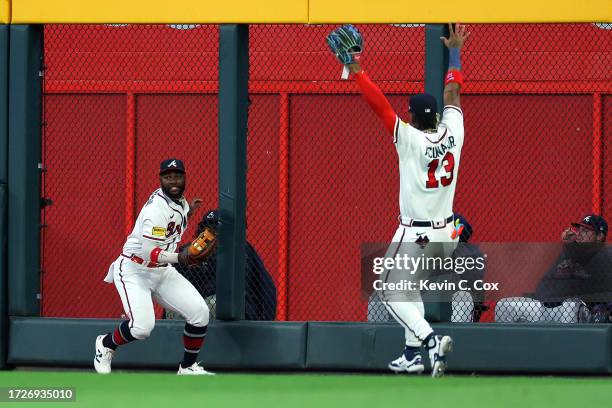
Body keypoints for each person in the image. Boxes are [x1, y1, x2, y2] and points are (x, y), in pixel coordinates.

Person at [343, 24, 469, 377]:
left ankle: (429, 340)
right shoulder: (453, 133)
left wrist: (357, 70)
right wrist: (455, 52)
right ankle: (413, 355)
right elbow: (454, 93)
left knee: (387, 290)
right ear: (436, 117)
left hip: (417, 234)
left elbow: (380, 107)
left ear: (412, 116)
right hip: (448, 235)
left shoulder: (410, 139)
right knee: (408, 287)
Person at [94, 158, 215, 375]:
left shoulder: (180, 201)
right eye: (168, 178)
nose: (173, 181)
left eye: (177, 176)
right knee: (142, 328)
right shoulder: (154, 211)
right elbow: (150, 252)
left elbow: (170, 229)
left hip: (161, 271)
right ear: (160, 180)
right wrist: (183, 258)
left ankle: (187, 367)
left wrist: (188, 214)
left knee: (200, 313)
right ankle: (106, 345)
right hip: (134, 269)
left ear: (184, 177)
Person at [367, 214, 488, 323]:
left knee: (463, 298)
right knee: (378, 296)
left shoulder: (467, 252)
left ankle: (456, 343)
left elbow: (462, 226)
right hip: (414, 299)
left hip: (447, 305)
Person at [495, 214, 612, 323]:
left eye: (586, 231)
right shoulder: (569, 251)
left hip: (569, 309)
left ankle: (567, 345)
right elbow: (546, 282)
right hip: (541, 306)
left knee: (570, 306)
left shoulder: (604, 256)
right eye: (579, 230)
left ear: (599, 236)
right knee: (504, 305)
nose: (580, 234)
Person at [170, 209, 277, 321]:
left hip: (223, 307)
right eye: (207, 228)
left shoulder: (240, 249)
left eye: (213, 228)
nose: (209, 233)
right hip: (202, 306)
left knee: (216, 303)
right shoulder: (189, 251)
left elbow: (263, 287)